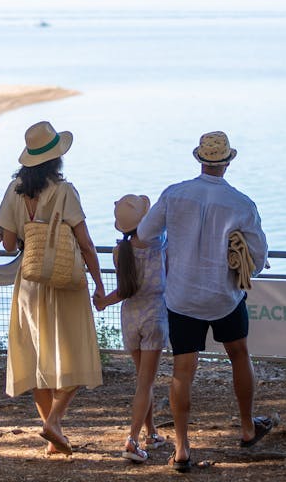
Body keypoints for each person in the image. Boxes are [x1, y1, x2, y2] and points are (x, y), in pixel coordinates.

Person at [137, 131, 270, 472]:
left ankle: (182, 449)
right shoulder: (242, 203)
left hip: (181, 296)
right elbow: (258, 252)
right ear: (227, 162)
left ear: (199, 159)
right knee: (239, 354)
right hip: (224, 294)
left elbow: (145, 234)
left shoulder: (174, 194)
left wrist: (175, 242)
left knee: (183, 370)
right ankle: (246, 427)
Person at [0, 120, 105, 457]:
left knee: (38, 357)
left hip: (30, 282)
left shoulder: (14, 190)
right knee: (78, 351)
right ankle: (54, 422)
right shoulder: (65, 191)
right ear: (56, 159)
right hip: (65, 281)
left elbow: (10, 245)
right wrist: (100, 284)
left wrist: (33, 235)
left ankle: (54, 438)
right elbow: (85, 243)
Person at [92, 195, 168, 464]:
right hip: (155, 318)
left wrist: (102, 302)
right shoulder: (161, 245)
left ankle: (152, 433)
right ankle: (132, 440)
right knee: (145, 383)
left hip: (130, 320)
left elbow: (124, 290)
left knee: (142, 381)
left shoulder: (119, 252)